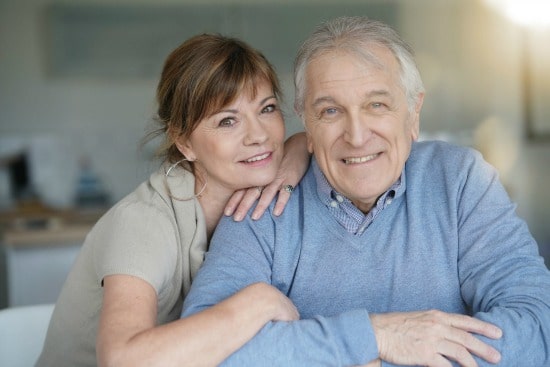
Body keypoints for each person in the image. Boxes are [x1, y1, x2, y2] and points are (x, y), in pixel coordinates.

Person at [182, 16, 550, 367]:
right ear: (306, 125)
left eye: (377, 105)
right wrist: (375, 334)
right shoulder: (260, 207)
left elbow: (538, 326)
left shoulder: (461, 182)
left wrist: (368, 357)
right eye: (330, 111)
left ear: (413, 112)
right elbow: (206, 353)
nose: (357, 137)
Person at [37, 34, 311, 367]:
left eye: (267, 108)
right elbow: (122, 359)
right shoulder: (143, 221)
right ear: (184, 143)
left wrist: (299, 148)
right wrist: (257, 304)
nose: (259, 135)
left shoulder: (258, 195)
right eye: (228, 120)